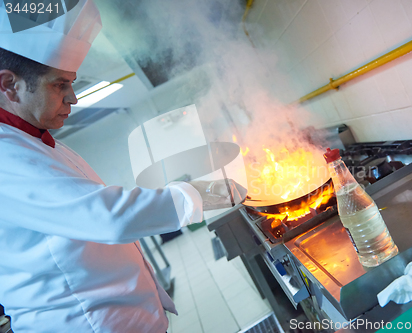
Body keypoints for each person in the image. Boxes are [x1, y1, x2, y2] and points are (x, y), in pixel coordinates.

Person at [0, 1, 244, 332]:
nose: (73, 98)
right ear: (9, 85)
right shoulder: (6, 156)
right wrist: (198, 194)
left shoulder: (41, 141)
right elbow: (107, 216)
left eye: (72, 83)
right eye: (60, 85)